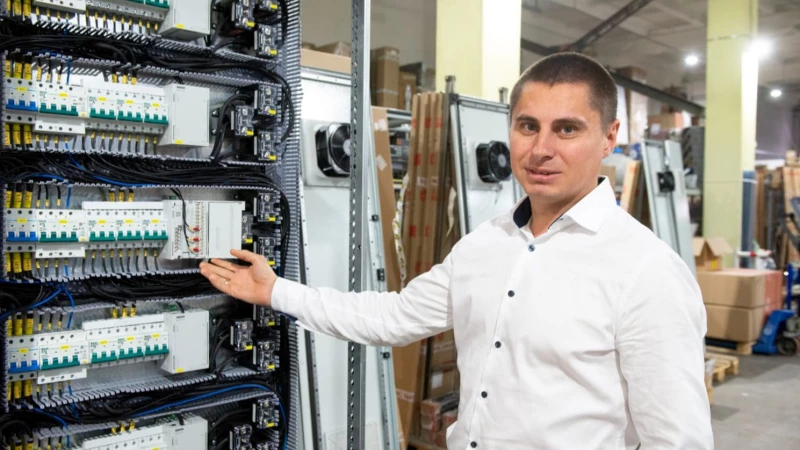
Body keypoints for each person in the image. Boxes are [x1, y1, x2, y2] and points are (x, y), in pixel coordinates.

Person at [200, 52, 714, 449]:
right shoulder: (485, 245)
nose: (541, 149)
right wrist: (276, 291)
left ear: (609, 137)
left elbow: (678, 440)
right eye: (528, 126)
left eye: (567, 129)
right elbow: (393, 317)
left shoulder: (645, 271)